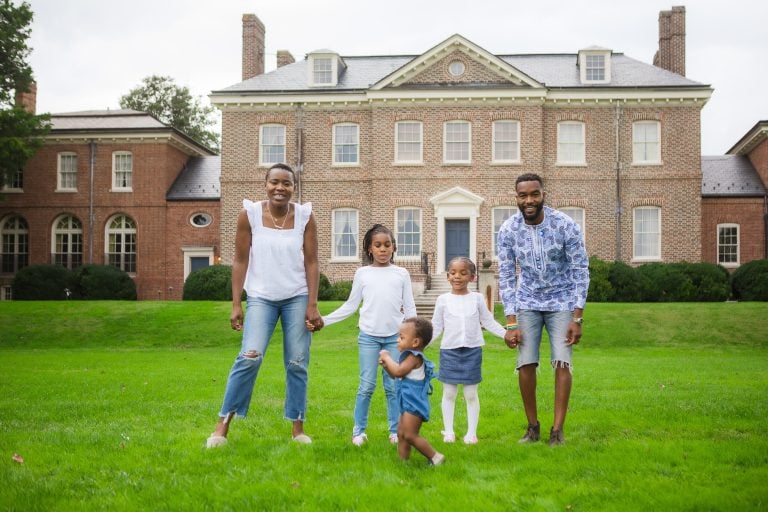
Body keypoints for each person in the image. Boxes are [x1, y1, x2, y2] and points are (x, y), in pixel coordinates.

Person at [206, 163, 323, 448]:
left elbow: (311, 261)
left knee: (297, 362)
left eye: (286, 183)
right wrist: (236, 304)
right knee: (250, 356)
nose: (280, 188)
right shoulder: (250, 214)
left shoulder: (305, 216)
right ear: (266, 184)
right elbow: (240, 260)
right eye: (274, 182)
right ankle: (221, 426)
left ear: (294, 187)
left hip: (296, 295)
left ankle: (298, 429)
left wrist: (312, 304)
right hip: (260, 296)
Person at [496, 173, 590, 446]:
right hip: (527, 302)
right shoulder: (508, 230)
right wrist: (511, 323)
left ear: (543, 195)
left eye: (534, 194)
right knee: (526, 363)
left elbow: (580, 270)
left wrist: (577, 316)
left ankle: (557, 430)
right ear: (516, 198)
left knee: (562, 361)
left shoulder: (565, 225)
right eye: (523, 195)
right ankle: (533, 427)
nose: (529, 200)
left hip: (561, 302)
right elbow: (506, 276)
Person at [317, 224, 417, 446]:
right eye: (378, 245)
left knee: (393, 386)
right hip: (369, 338)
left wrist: (413, 339)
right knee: (367, 386)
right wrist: (324, 320)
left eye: (387, 245)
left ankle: (395, 430)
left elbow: (410, 309)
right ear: (369, 249)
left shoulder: (402, 274)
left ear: (394, 247)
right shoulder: (362, 273)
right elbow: (351, 306)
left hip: (394, 339)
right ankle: (358, 431)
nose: (383, 249)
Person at [430, 256, 515, 445]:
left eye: (463, 273)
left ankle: (471, 433)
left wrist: (505, 335)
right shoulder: (442, 300)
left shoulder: (477, 299)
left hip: (472, 352)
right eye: (452, 273)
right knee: (449, 393)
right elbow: (435, 327)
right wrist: (419, 344)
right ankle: (449, 432)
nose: (457, 277)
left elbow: (488, 321)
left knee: (470, 394)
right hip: (449, 352)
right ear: (447, 276)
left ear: (472, 277)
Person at [379, 317, 444, 465]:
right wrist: (386, 366)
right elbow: (395, 375)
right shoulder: (408, 357)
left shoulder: (414, 358)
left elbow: (399, 372)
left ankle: (435, 457)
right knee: (401, 433)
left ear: (415, 342)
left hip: (414, 404)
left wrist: (387, 357)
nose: (397, 340)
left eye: (401, 337)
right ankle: (403, 462)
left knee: (409, 435)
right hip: (407, 403)